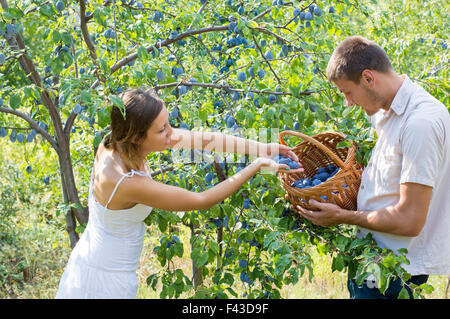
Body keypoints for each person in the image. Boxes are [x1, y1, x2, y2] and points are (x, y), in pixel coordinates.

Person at [55, 88, 302, 299]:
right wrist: (256, 166)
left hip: (94, 261)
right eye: (163, 130)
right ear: (137, 136)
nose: (171, 133)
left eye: (168, 124)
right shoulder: (125, 181)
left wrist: (263, 147)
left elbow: (207, 141)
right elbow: (201, 200)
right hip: (104, 282)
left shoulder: (116, 141)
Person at [291, 36, 450, 299]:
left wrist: (342, 217)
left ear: (368, 78)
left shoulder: (420, 123)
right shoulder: (384, 112)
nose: (348, 103)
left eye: (347, 92)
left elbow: (410, 220)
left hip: (395, 274)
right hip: (369, 259)